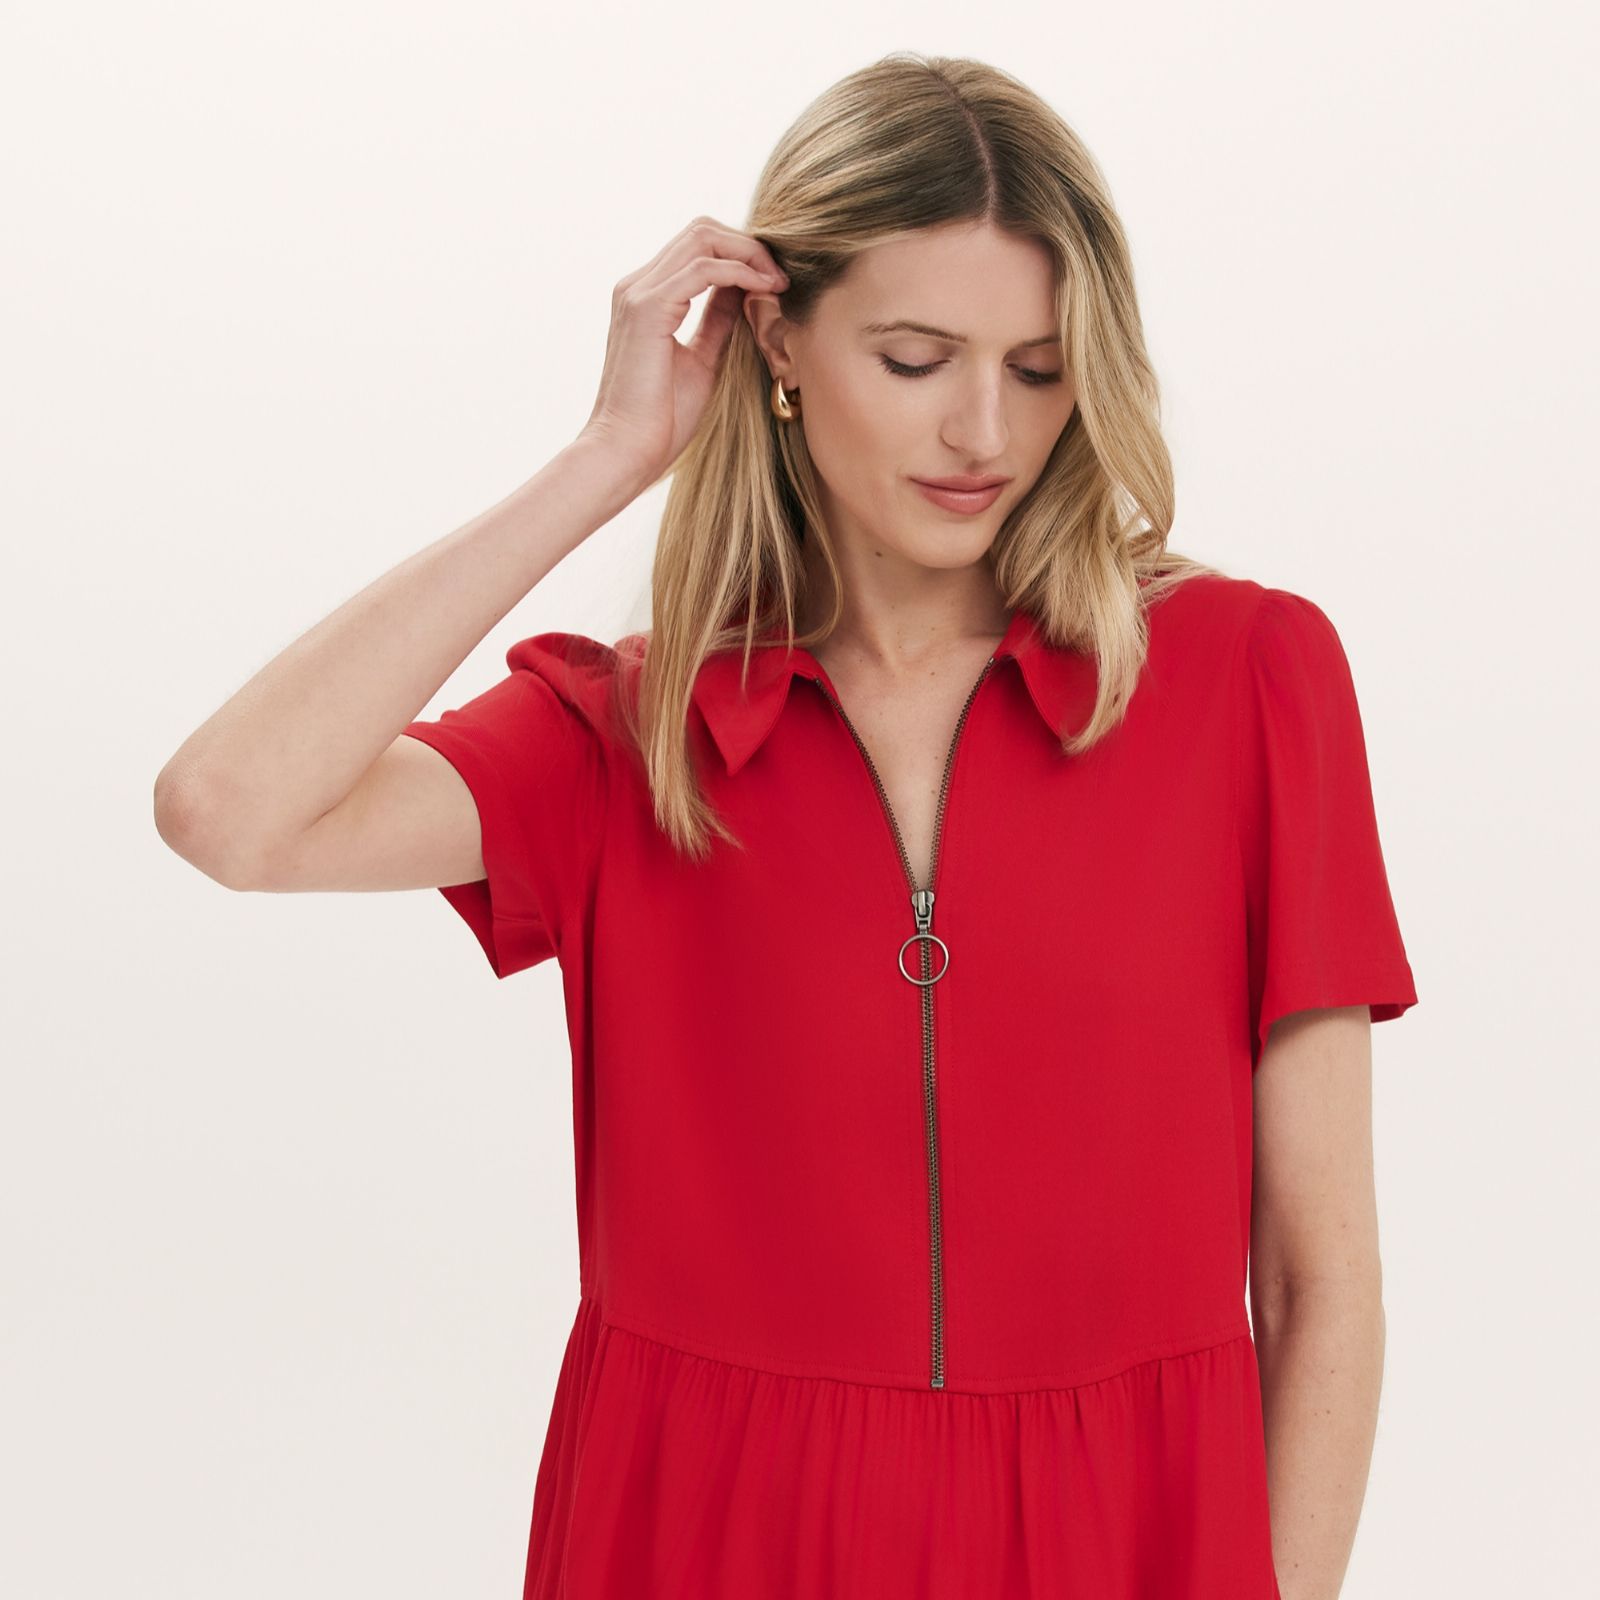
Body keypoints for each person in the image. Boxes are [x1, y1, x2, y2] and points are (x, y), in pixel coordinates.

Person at [154, 50, 1418, 1600]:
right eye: (915, 358)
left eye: (1038, 368)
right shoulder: (628, 736)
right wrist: (609, 456)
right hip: (703, 1535)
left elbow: (1319, 1280)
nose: (983, 431)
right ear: (780, 343)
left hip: (1123, 1535)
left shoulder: (1243, 678)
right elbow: (230, 812)